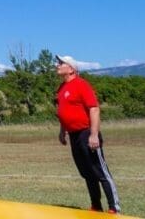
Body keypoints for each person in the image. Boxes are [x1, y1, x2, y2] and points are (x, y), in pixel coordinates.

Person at [55, 54, 121, 214]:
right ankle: (96, 206)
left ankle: (114, 207)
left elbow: (94, 108)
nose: (57, 65)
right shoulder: (61, 88)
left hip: (86, 133)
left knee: (99, 170)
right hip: (74, 135)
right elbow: (64, 112)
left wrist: (93, 134)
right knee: (86, 172)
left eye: (61, 63)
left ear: (71, 69)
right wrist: (62, 131)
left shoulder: (81, 84)